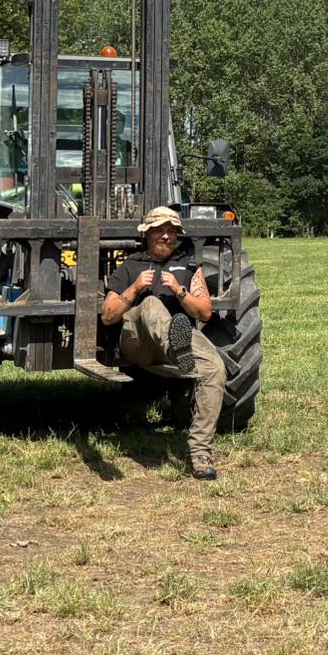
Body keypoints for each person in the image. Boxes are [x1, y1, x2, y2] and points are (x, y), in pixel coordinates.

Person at [103, 206, 227, 481]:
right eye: (160, 230)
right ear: (147, 233)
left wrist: (180, 292)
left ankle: (200, 453)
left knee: (215, 368)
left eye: (172, 232)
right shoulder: (131, 266)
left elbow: (205, 312)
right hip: (138, 342)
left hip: (178, 334)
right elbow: (108, 316)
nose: (167, 237)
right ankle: (178, 349)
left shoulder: (189, 267)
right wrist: (134, 288)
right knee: (150, 304)